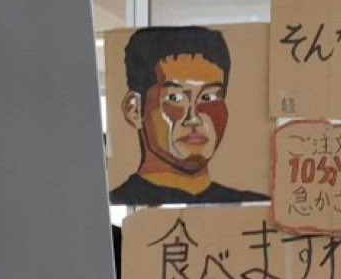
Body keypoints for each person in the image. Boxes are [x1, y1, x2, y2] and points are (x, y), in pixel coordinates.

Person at [109, 25, 269, 206]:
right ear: (135, 110)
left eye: (208, 97)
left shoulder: (255, 208)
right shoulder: (114, 209)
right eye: (175, 98)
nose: (194, 118)